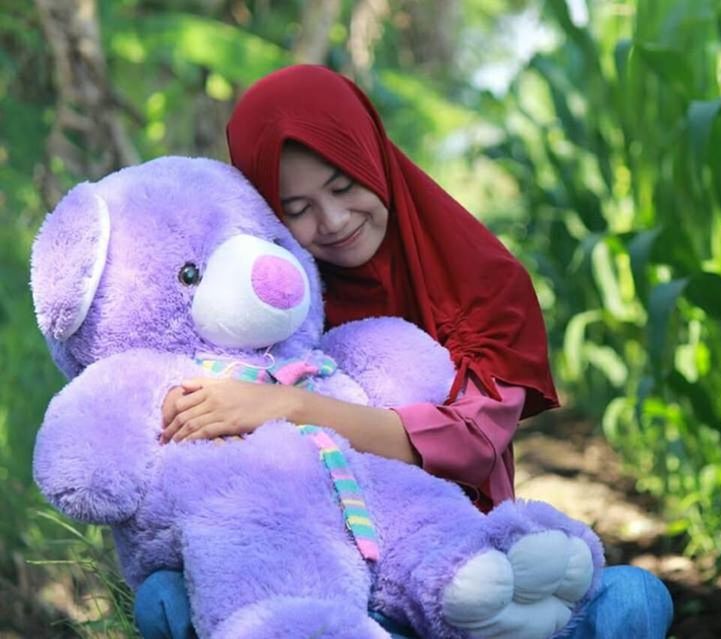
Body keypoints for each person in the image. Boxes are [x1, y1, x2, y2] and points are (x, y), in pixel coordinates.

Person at [135, 64, 673, 639]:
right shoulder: (271, 302)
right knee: (164, 599)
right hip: (334, 578)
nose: (334, 220)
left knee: (633, 600)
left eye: (344, 187)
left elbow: (473, 442)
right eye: (297, 209)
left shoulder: (481, 279)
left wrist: (286, 406)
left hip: (478, 574)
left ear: (375, 159)